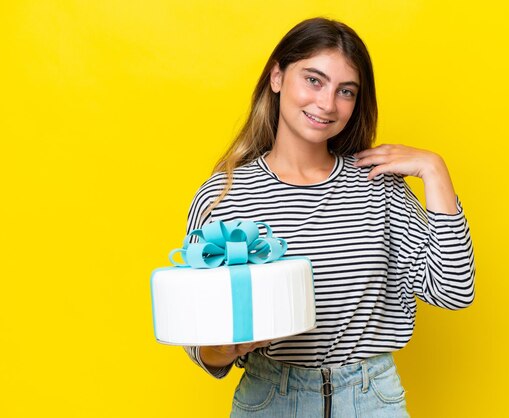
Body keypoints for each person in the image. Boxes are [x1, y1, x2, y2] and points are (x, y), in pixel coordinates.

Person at [182, 17, 475, 417]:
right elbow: (201, 341)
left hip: (372, 399)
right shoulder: (226, 195)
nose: (327, 103)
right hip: (270, 399)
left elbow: (454, 291)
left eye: (345, 91)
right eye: (314, 80)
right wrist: (223, 349)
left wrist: (436, 170)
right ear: (277, 77)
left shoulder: (378, 186)